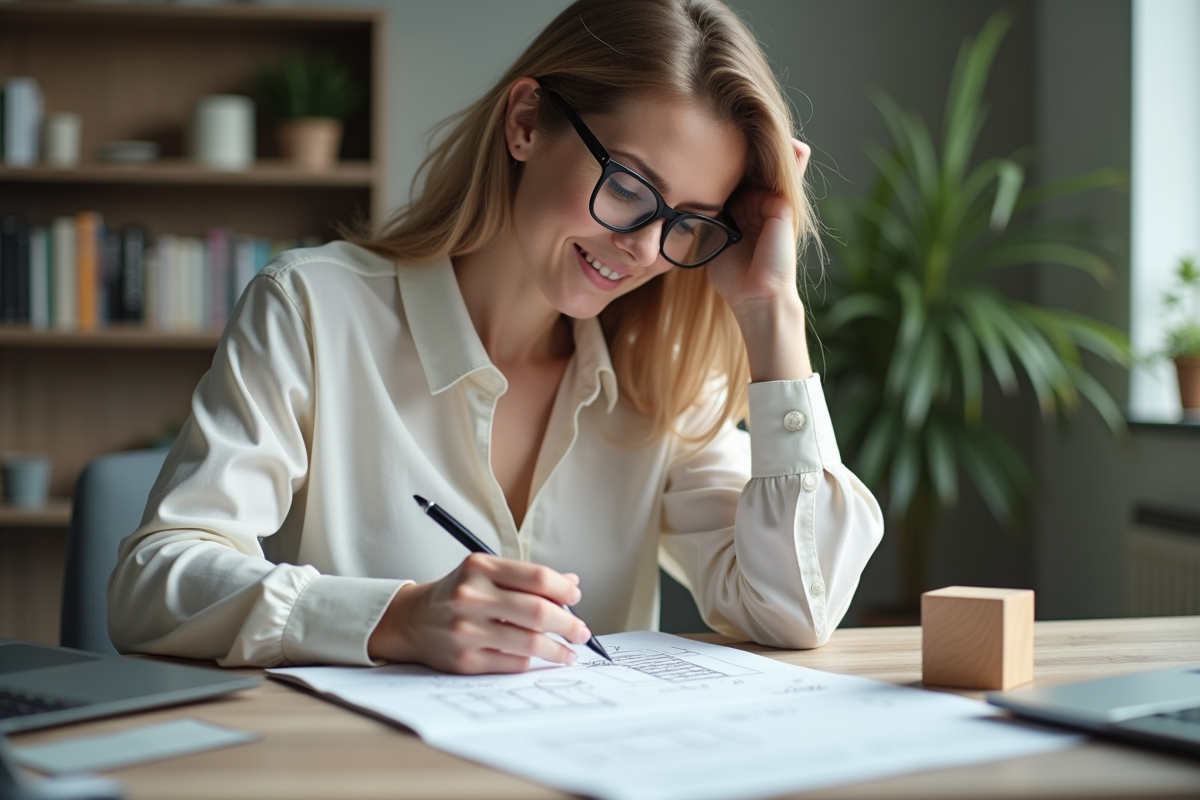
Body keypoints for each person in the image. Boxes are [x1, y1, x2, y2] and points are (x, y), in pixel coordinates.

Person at [108, 0, 884, 674]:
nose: (646, 248)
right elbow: (153, 582)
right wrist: (396, 619)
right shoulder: (313, 310)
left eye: (689, 223)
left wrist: (771, 308)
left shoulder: (666, 374)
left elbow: (795, 610)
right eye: (628, 188)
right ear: (524, 124)